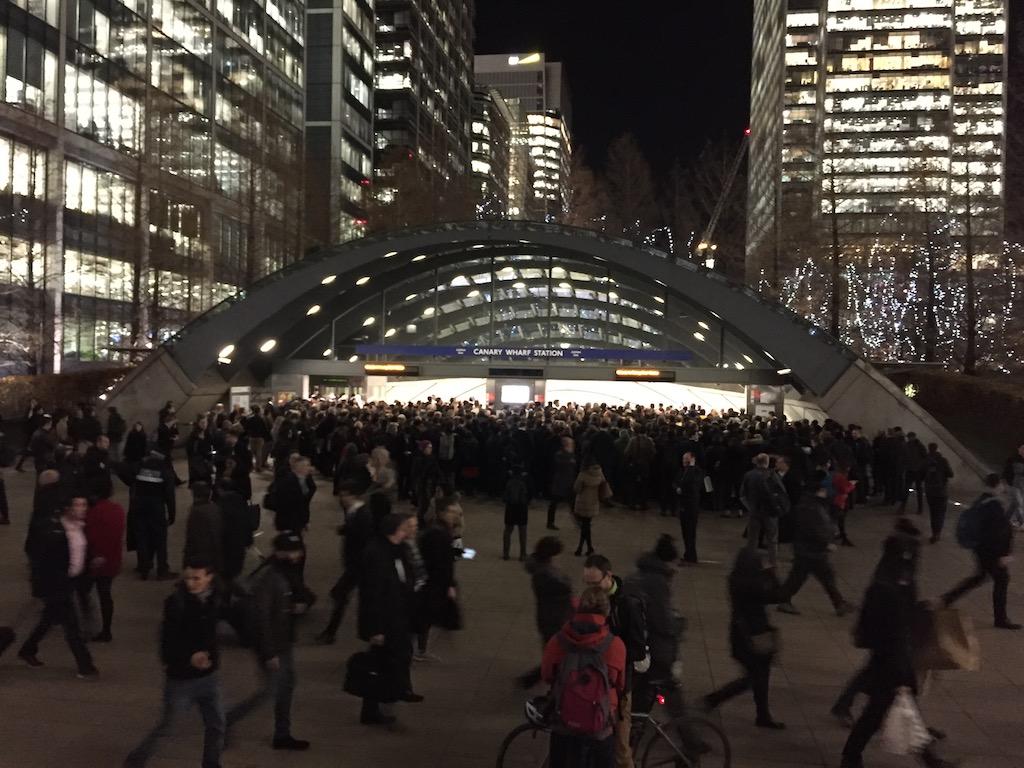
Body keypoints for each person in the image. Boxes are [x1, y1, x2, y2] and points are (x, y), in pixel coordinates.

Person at [839, 527, 956, 768]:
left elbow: (900, 616)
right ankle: (852, 756)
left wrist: (922, 608)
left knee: (885, 711)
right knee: (884, 711)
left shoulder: (892, 580)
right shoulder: (886, 587)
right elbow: (888, 627)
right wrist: (900, 667)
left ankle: (853, 756)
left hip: (891, 657)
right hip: (890, 660)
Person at [124, 560, 226, 768]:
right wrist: (190, 657)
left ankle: (211, 764)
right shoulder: (176, 603)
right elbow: (168, 643)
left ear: (209, 577)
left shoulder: (215, 598)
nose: (190, 583)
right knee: (168, 727)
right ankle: (134, 762)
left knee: (216, 724)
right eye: (187, 578)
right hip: (182, 680)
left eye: (196, 578)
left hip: (209, 676)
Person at [226, 533, 310, 751]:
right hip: (272, 645)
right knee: (270, 691)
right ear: (280, 552)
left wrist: (295, 606)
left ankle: (282, 734)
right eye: (294, 551)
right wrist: (268, 652)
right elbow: (260, 618)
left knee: (287, 686)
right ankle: (227, 719)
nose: (298, 555)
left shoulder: (286, 572)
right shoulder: (269, 577)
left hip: (284, 640)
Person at [542, 586, 627, 768]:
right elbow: (620, 684)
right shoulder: (615, 645)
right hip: (600, 723)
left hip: (564, 718)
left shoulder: (559, 641)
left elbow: (547, 675)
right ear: (607, 612)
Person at [702, 548, 787, 729]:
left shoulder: (736, 579)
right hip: (755, 635)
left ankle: (762, 715)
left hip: (740, 634)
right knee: (755, 677)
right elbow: (779, 595)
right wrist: (771, 573)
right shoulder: (755, 584)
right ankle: (715, 699)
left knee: (759, 677)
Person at [18, 495, 98, 677]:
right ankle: (85, 666)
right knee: (72, 627)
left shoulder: (79, 527)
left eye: (84, 504)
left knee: (48, 619)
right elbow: (46, 560)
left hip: (70, 581)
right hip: (57, 584)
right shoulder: (55, 531)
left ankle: (28, 649)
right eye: (78, 505)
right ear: (67, 509)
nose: (83, 508)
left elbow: (80, 553)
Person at [357, 513, 422, 725]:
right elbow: (371, 594)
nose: (412, 529)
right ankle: (376, 707)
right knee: (381, 664)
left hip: (398, 615)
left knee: (395, 657)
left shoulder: (399, 549)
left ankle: (397, 691)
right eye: (407, 526)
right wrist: (375, 629)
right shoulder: (376, 553)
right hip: (384, 620)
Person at [583, 554, 647, 768]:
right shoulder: (593, 598)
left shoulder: (628, 603)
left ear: (608, 576)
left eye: (595, 583)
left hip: (619, 682)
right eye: (588, 583)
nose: (591, 588)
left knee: (620, 746)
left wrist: (614, 657)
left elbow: (637, 649)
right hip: (598, 679)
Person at [941, 473, 1019, 629]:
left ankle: (947, 599)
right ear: (998, 485)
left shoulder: (982, 500)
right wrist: (1004, 555)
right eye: (1002, 485)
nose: (1003, 487)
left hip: (980, 548)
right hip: (991, 551)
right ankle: (1000, 619)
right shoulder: (994, 505)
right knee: (1001, 580)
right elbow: (999, 533)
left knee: (979, 576)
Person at [777, 471, 855, 617]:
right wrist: (826, 543)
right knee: (815, 577)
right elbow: (814, 528)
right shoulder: (810, 507)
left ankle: (839, 603)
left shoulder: (813, 504)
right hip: (810, 550)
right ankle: (838, 604)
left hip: (810, 550)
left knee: (811, 577)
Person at [625, 535, 682, 698]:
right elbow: (661, 620)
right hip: (647, 644)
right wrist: (675, 626)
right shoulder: (657, 582)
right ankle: (681, 722)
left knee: (642, 684)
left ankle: (638, 715)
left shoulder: (636, 576)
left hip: (631, 640)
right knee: (667, 684)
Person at [317, 480, 374, 644]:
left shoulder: (363, 514)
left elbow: (363, 538)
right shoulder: (353, 510)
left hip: (357, 565)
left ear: (354, 496)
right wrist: (343, 529)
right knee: (341, 595)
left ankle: (330, 633)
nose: (341, 498)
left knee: (341, 596)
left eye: (344, 495)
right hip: (354, 564)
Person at [518, 536, 573, 689]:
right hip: (553, 619)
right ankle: (534, 678)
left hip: (549, 617)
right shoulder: (546, 575)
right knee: (556, 654)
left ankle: (536, 678)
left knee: (553, 652)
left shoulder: (543, 570)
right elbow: (563, 590)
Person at [415, 502, 461, 661]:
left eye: (458, 513)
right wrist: (449, 585)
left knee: (426, 617)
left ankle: (420, 649)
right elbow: (440, 561)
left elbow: (448, 553)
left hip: (433, 582)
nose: (455, 516)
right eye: (452, 512)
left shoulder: (443, 531)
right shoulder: (438, 533)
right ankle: (418, 649)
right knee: (426, 616)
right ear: (442, 513)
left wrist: (468, 552)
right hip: (432, 583)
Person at [84, 478, 126, 641]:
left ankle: (86, 624)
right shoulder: (117, 509)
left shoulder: (93, 513)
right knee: (105, 594)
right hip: (112, 559)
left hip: (94, 560)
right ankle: (106, 628)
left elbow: (90, 537)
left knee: (84, 592)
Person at [130, 450, 177, 580]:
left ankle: (144, 568)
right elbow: (169, 496)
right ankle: (162, 570)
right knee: (160, 540)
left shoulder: (140, 467)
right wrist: (172, 514)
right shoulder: (164, 470)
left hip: (139, 507)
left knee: (143, 538)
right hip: (156, 509)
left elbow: (133, 486)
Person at [741, 453, 788, 567]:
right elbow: (782, 492)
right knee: (772, 538)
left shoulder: (749, 475)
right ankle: (773, 561)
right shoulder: (772, 475)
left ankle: (750, 561)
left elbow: (742, 495)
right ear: (767, 462)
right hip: (770, 511)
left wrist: (750, 507)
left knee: (753, 539)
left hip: (754, 511)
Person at [573, 457, 612, 557]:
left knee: (584, 526)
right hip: (594, 501)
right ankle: (588, 547)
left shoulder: (583, 474)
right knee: (587, 525)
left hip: (583, 501)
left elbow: (577, 488)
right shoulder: (599, 472)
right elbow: (603, 483)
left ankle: (581, 547)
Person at [183, 482, 224, 574]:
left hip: (202, 554)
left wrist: (186, 562)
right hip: (215, 553)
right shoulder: (215, 508)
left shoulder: (196, 512)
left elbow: (191, 538)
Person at [673, 451, 705, 564]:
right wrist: (677, 487)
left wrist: (691, 467)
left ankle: (691, 556)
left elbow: (692, 484)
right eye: (683, 459)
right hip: (683, 505)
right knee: (685, 532)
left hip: (691, 505)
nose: (684, 462)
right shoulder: (682, 470)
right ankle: (688, 554)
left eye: (686, 459)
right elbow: (677, 481)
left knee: (690, 532)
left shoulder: (696, 471)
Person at [922, 443, 953, 543]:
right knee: (940, 513)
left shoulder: (926, 460)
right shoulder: (943, 460)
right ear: (937, 449)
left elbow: (921, 474)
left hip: (930, 491)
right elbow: (950, 474)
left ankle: (934, 532)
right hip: (941, 491)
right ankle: (937, 533)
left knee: (933, 512)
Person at [547, 436, 577, 531]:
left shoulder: (571, 454)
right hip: (560, 482)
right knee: (554, 503)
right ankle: (550, 522)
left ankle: (578, 521)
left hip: (568, 481)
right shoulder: (561, 455)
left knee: (572, 503)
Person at [503, 465, 531, 561]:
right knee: (522, 531)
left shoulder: (509, 482)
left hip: (510, 507)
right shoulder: (525, 482)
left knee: (508, 530)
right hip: (522, 508)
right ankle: (522, 554)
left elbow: (505, 496)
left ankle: (506, 553)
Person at [1002, 443, 1024, 527]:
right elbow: (1008, 471)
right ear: (1019, 449)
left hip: (1020, 485)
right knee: (1019, 503)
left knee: (1014, 504)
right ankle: (1022, 521)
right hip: (1013, 485)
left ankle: (1005, 519)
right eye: (1022, 449)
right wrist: (1004, 482)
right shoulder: (1014, 459)